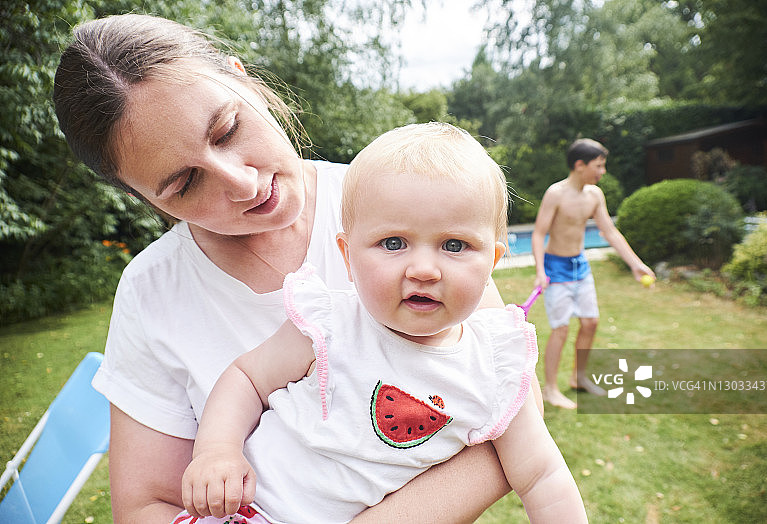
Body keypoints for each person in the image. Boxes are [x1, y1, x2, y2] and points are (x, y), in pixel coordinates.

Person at [52, 14, 542, 523]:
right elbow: (146, 505)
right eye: (185, 183)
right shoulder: (151, 290)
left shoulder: (403, 204)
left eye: (228, 129)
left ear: (244, 80)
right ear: (141, 197)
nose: (242, 183)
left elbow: (511, 407)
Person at [179, 123, 588, 523]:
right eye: (393, 243)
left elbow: (542, 476)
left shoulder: (496, 369)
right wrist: (217, 451)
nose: (424, 269)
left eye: (455, 245)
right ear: (347, 257)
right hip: (245, 509)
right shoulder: (329, 325)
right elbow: (246, 380)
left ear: (492, 263)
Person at [532, 138, 655, 409]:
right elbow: (539, 233)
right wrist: (540, 271)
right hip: (556, 268)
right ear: (580, 165)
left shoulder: (595, 195)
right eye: (598, 165)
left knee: (590, 323)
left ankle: (578, 378)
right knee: (561, 329)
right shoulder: (556, 194)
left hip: (580, 266)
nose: (603, 171)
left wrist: (635, 264)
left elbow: (609, 231)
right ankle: (550, 389)